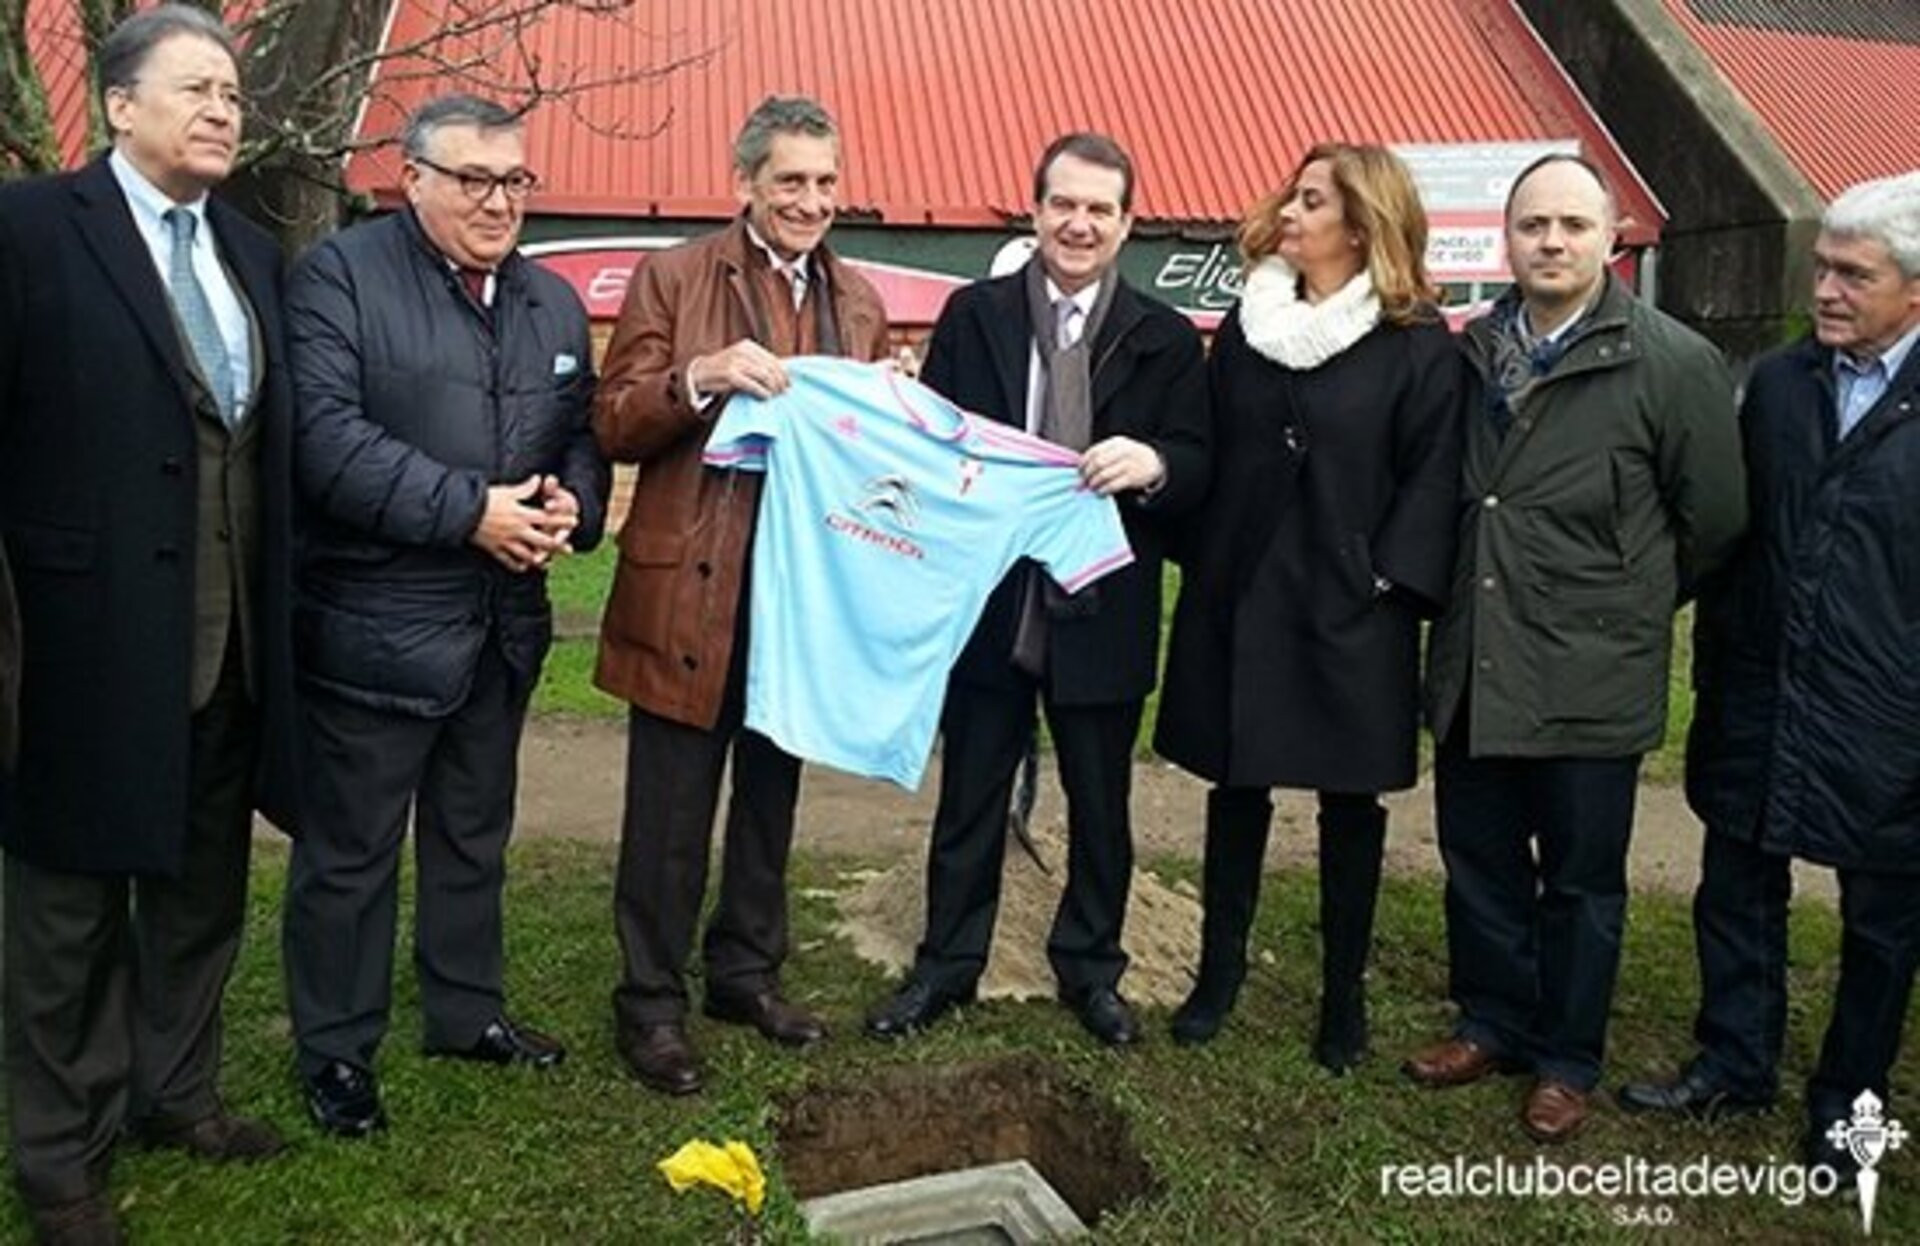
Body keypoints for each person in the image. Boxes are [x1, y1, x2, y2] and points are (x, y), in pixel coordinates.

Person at [0, 6, 302, 1240]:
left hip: (227, 648)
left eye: (232, 92)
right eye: (196, 89)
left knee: (199, 889)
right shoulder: (29, 229)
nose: (223, 110)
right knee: (66, 914)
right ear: (120, 106)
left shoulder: (253, 252)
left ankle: (176, 1093)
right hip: (76, 644)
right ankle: (60, 1159)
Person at [281, 94, 608, 1138]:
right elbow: (326, 441)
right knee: (352, 854)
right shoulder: (339, 278)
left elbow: (580, 430)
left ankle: (466, 1012)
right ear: (412, 177)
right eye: (474, 179)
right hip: (377, 626)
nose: (498, 202)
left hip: (501, 629)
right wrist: (471, 511)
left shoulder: (551, 301)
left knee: (474, 833)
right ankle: (337, 1049)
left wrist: (573, 502)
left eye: (515, 181)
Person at [1405, 154, 1746, 1144]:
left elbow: (1715, 522)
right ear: (1506, 239)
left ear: (1611, 238)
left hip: (1593, 668)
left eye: (1573, 225)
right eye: (1533, 226)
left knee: (1582, 880)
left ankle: (1566, 1056)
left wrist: (1625, 602)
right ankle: (1491, 1020)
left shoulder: (1672, 362)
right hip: (1479, 655)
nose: (1551, 242)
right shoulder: (1474, 350)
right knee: (1479, 858)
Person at [864, 133, 1210, 1048]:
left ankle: (1092, 970)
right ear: (1036, 210)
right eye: (1064, 204)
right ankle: (946, 965)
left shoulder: (1166, 338)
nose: (1079, 223)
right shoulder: (974, 317)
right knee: (970, 795)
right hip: (992, 599)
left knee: (1101, 804)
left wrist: (1157, 462)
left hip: (1103, 604)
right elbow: (932, 447)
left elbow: (1202, 462)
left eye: (1100, 208)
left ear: (1127, 223)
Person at [1615, 173, 1920, 1178]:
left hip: (1890, 713)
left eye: (1853, 275)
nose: (1823, 289)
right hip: (1759, 685)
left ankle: (1849, 1102)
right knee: (1737, 887)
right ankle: (1733, 1061)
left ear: (1916, 289)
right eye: (1821, 267)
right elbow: (1727, 526)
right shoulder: (1781, 384)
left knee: (1882, 922)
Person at [593, 96, 889, 1096]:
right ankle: (650, 1004)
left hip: (800, 598)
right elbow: (613, 420)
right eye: (790, 180)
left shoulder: (859, 303)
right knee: (669, 816)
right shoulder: (674, 276)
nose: (811, 200)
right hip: (692, 587)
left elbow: (860, 461)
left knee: (770, 801)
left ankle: (745, 975)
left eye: (826, 181)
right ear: (746, 183)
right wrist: (700, 375)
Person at [1153, 144, 1464, 1069]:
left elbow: (1433, 474)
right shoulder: (1249, 325)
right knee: (1236, 785)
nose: (1289, 211)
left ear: (1362, 225)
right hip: (1244, 593)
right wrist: (1207, 557)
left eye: (1314, 200)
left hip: (1350, 609)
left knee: (1349, 802)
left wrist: (1384, 581)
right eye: (1294, 194)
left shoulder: (1414, 341)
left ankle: (1342, 1000)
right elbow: (1211, 445)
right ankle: (1218, 976)